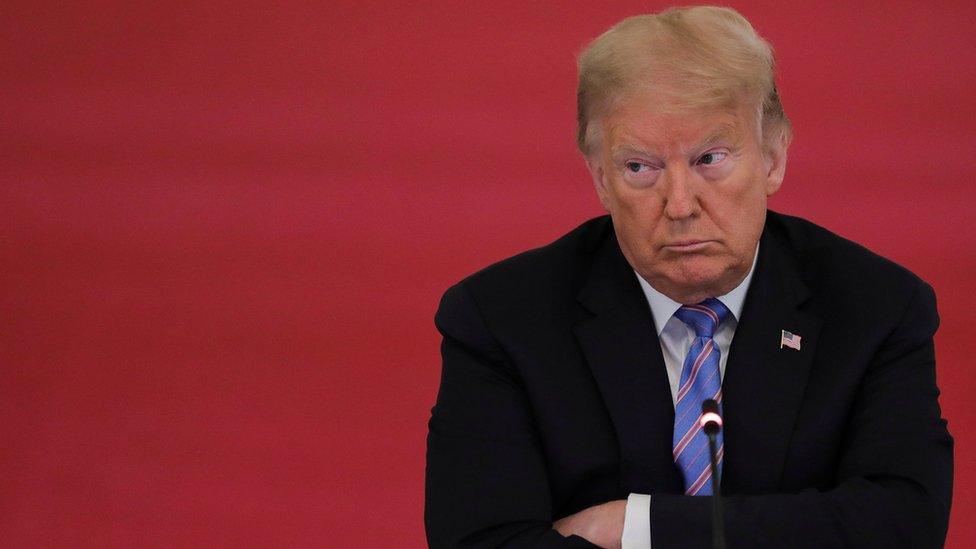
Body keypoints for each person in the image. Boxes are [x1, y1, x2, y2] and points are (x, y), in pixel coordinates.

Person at [424, 6, 953, 548]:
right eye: (639, 167)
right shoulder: (501, 320)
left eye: (710, 158)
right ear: (600, 178)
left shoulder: (875, 307)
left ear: (773, 159)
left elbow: (904, 524)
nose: (679, 204)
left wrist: (636, 527)